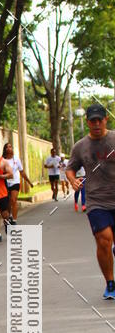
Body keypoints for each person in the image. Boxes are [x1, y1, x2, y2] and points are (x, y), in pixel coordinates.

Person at [66, 104, 115, 299]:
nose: (96, 124)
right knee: (104, 240)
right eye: (92, 120)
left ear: (106, 120)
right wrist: (72, 180)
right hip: (96, 201)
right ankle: (110, 283)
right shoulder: (80, 146)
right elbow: (70, 168)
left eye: (99, 120)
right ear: (87, 122)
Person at [3, 142, 32, 222]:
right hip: (5, 183)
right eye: (7, 147)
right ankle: (9, 217)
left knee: (13, 200)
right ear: (5, 150)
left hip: (15, 182)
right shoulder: (2, 160)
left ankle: (14, 220)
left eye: (10, 146)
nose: (9, 148)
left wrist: (28, 182)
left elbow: (22, 172)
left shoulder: (16, 159)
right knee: (8, 202)